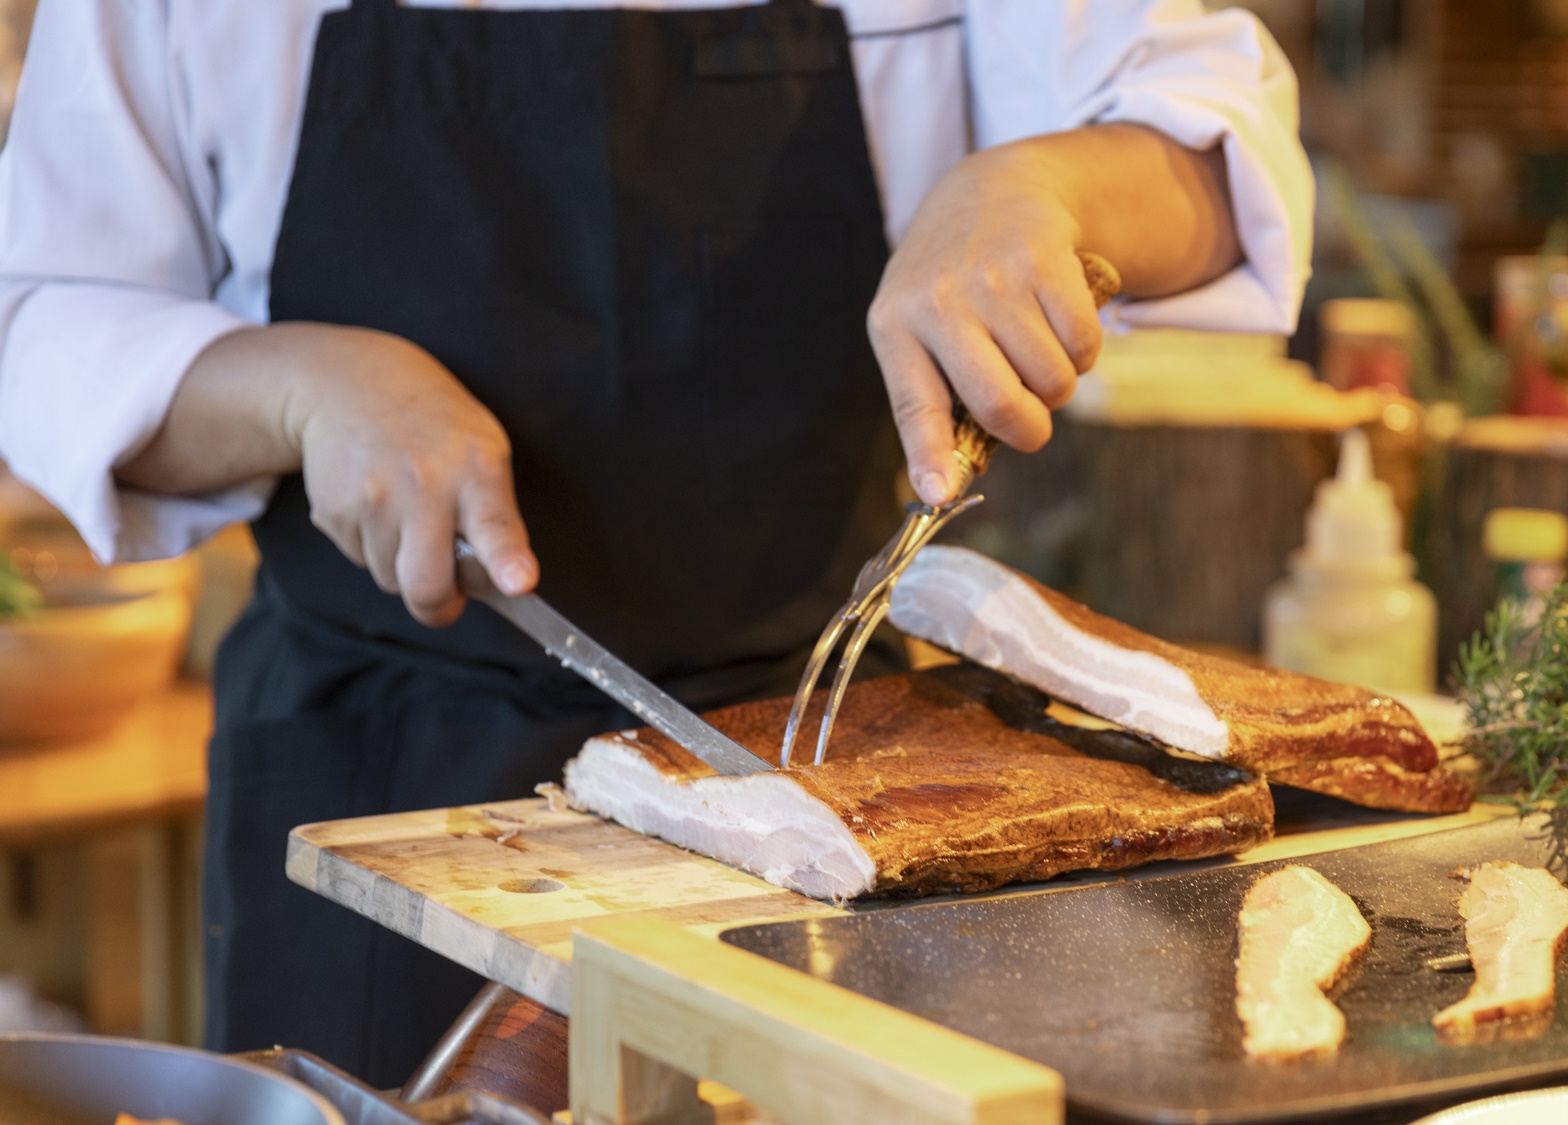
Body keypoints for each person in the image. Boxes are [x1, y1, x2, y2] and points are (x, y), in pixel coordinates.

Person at [0, 0, 1310, 1087]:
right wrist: (295, 388)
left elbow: (1217, 143)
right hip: (376, 777)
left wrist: (1042, 184)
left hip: (838, 779)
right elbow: (42, 314)